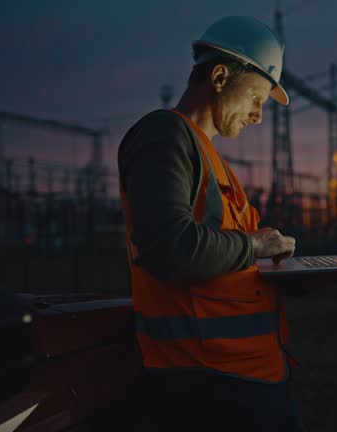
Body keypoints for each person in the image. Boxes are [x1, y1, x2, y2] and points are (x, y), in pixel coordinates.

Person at [117, 16, 306, 431]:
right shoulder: (164, 135)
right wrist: (256, 246)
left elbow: (225, 255)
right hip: (209, 382)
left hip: (244, 374)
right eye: (257, 98)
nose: (258, 116)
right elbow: (169, 248)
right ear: (220, 76)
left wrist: (286, 269)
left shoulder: (209, 156)